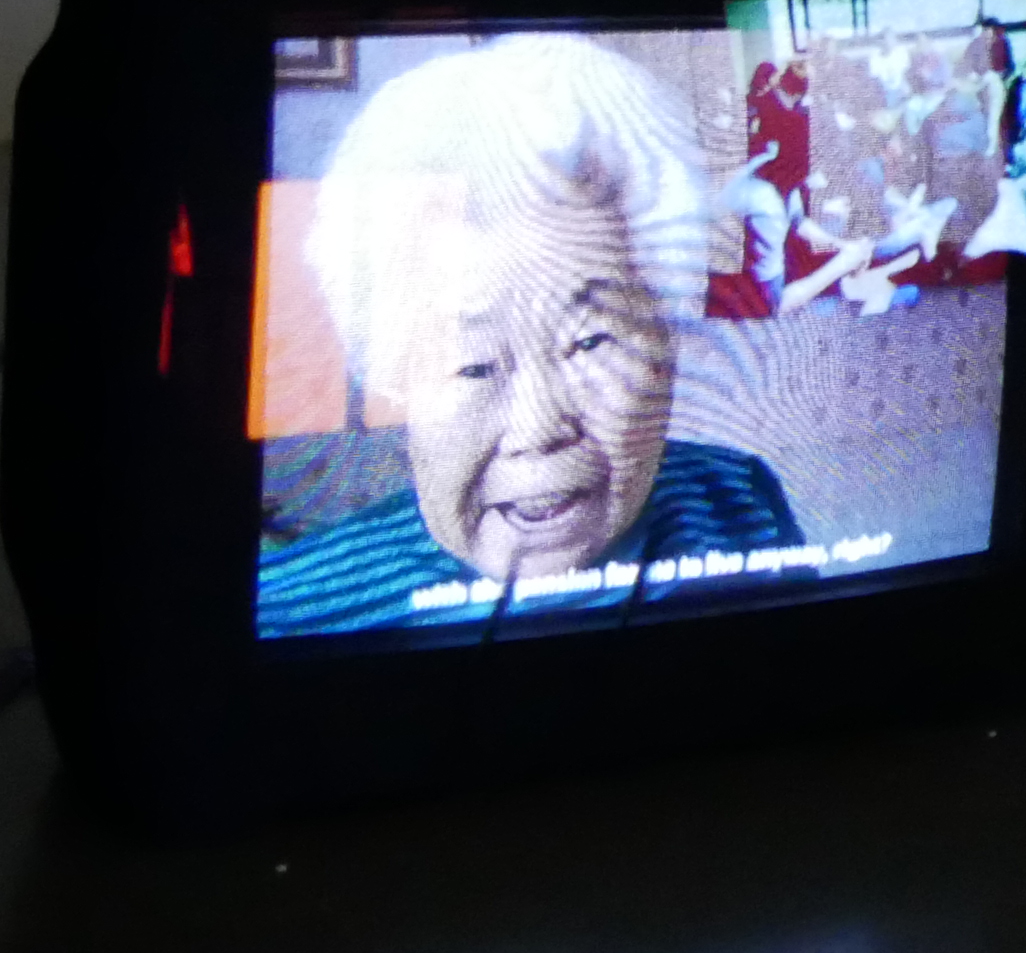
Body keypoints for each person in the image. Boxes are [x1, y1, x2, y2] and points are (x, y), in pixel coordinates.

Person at [258, 35, 805, 639]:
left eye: (591, 341)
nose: (540, 428)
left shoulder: (735, 498)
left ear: (664, 345)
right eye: (473, 365)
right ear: (393, 377)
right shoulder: (287, 616)